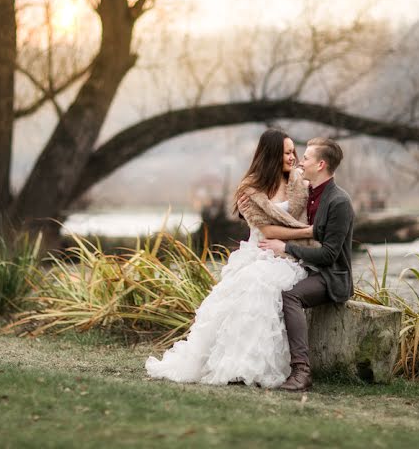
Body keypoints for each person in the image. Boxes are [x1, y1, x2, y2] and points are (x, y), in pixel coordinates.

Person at [145, 129, 316, 388]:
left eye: (294, 151)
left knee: (264, 286)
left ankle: (255, 364)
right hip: (258, 251)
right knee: (250, 284)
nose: (293, 157)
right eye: (288, 152)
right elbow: (266, 231)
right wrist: (307, 232)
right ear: (272, 154)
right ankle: (236, 365)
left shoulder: (298, 183)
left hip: (288, 256)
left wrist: (299, 241)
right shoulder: (249, 190)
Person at [259, 137, 354, 392]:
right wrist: (251, 203)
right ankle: (260, 363)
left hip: (331, 276)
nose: (301, 161)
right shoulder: (310, 192)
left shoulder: (339, 202)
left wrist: (286, 247)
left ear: (321, 164)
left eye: (307, 158)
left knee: (290, 297)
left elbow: (329, 256)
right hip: (307, 268)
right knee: (263, 284)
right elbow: (281, 200)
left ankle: (302, 371)